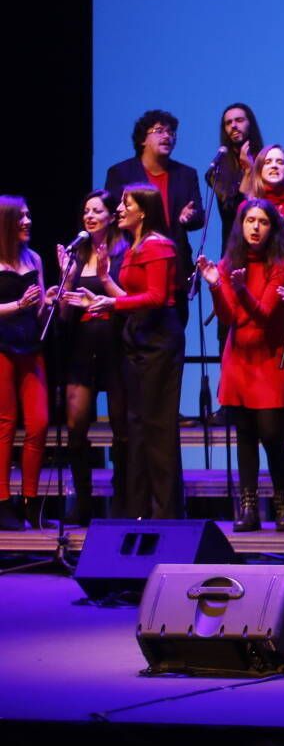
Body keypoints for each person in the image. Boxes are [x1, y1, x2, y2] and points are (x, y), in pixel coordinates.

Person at [68, 185, 183, 518]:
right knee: (138, 426)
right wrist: (104, 282)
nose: (119, 208)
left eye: (125, 204)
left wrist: (113, 301)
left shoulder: (159, 246)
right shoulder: (134, 247)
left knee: (157, 427)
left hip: (159, 340)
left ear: (142, 211)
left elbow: (157, 297)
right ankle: (138, 509)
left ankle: (165, 513)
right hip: (138, 337)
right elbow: (129, 297)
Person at [197, 198, 284, 533]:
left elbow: (265, 315)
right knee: (245, 436)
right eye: (249, 220)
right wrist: (215, 285)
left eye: (263, 221)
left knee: (272, 436)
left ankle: (283, 501)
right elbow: (230, 318)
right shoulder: (229, 263)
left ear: (272, 227)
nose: (255, 227)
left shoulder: (281, 264)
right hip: (239, 358)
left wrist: (239, 290)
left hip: (270, 357)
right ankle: (249, 505)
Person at [54, 192, 125, 525]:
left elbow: (130, 302)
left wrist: (102, 295)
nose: (90, 215)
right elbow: (63, 315)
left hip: (116, 343)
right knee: (76, 425)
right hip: (82, 346)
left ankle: (123, 496)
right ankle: (82, 501)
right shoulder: (77, 255)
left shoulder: (124, 250)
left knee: (121, 426)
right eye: (86, 210)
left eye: (98, 210)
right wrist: (66, 282)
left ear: (111, 216)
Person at [104, 109, 204, 321]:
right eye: (159, 131)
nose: (168, 136)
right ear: (142, 139)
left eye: (172, 132)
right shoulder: (121, 173)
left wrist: (188, 217)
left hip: (173, 269)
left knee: (173, 333)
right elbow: (113, 218)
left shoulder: (186, 174)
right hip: (132, 267)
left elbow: (199, 218)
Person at [0, 198, 51, 530]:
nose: (28, 221)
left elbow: (42, 309)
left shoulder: (33, 258)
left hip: (31, 347)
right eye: (21, 217)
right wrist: (19, 304)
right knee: (4, 424)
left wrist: (50, 300)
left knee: (39, 423)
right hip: (2, 347)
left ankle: (31, 501)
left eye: (29, 215)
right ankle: (2, 501)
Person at [205, 102, 284, 246]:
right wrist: (248, 171)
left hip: (269, 246)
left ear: (250, 124)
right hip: (235, 249)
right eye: (228, 123)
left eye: (239, 120)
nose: (233, 126)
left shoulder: (268, 160)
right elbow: (233, 213)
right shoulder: (218, 169)